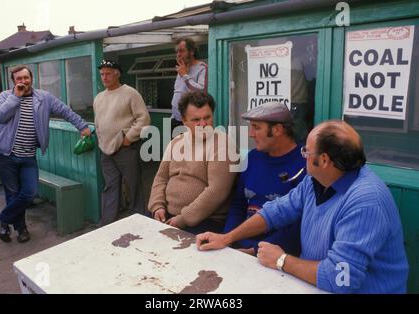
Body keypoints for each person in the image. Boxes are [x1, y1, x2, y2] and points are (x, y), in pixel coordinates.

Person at [196, 120, 409, 293]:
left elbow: (341, 278)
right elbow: (276, 211)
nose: (303, 156)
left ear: (324, 160)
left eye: (306, 152)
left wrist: (281, 260)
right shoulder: (315, 179)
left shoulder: (366, 202)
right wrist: (226, 238)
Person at [0, 65, 91, 243]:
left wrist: (82, 126)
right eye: (19, 79)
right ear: (13, 82)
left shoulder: (44, 98)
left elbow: (65, 110)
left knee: (30, 192)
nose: (23, 81)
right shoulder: (5, 97)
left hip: (28, 155)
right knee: (12, 194)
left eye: (26, 78)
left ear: (31, 79)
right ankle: (21, 228)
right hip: (6, 155)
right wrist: (16, 97)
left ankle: (2, 219)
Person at [148, 91, 236, 234]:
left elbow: (216, 191)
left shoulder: (222, 144)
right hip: (166, 215)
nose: (203, 124)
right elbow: (161, 178)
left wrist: (183, 219)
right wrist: (157, 206)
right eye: (196, 120)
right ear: (184, 121)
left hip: (205, 220)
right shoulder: (176, 142)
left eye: (207, 117)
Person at [224, 101, 305, 256]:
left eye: (256, 127)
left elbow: (297, 226)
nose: (250, 133)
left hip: (274, 255)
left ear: (278, 129)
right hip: (239, 245)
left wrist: (253, 251)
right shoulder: (253, 157)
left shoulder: (304, 165)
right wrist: (228, 239)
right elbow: (238, 204)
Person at [94, 60, 150, 226]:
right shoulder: (99, 98)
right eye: (102, 74)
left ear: (117, 73)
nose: (104, 77)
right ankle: (108, 223)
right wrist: (101, 140)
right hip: (106, 150)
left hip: (126, 148)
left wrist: (128, 138)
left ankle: (140, 221)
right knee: (110, 186)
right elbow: (98, 122)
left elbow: (144, 118)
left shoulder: (130, 93)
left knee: (134, 185)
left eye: (108, 73)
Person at [170, 37, 208, 134]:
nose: (178, 54)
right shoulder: (181, 68)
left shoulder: (202, 68)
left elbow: (201, 91)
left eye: (181, 51)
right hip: (176, 119)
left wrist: (185, 75)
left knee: (191, 148)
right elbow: (179, 92)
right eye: (177, 51)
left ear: (191, 51)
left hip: (192, 121)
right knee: (176, 148)